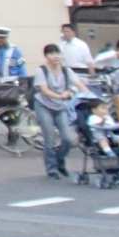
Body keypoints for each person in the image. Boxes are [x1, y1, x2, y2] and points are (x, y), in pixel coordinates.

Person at [32, 43, 77, 180]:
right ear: (46, 56)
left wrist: (87, 95)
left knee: (68, 139)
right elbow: (44, 90)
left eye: (57, 53)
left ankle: (60, 160)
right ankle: (51, 169)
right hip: (43, 106)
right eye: (51, 54)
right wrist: (60, 96)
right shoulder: (41, 70)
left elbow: (77, 84)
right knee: (50, 138)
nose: (55, 56)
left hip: (60, 107)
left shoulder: (66, 71)